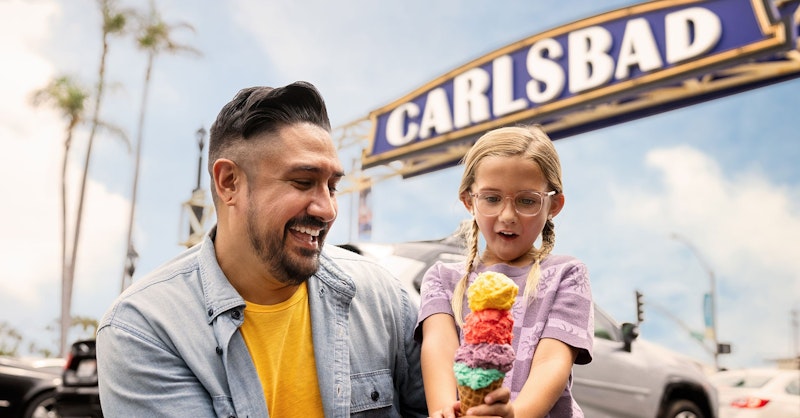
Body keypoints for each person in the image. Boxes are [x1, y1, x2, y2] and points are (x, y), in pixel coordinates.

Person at [96, 81, 428, 417]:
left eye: (332, 186)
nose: (327, 210)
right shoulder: (143, 329)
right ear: (229, 183)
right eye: (303, 182)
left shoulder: (382, 298)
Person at [415, 125, 593, 417]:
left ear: (554, 205)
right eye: (492, 198)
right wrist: (444, 411)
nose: (508, 216)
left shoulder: (566, 275)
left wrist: (515, 415)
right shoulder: (442, 279)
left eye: (527, 201)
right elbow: (439, 351)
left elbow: (552, 363)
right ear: (468, 200)